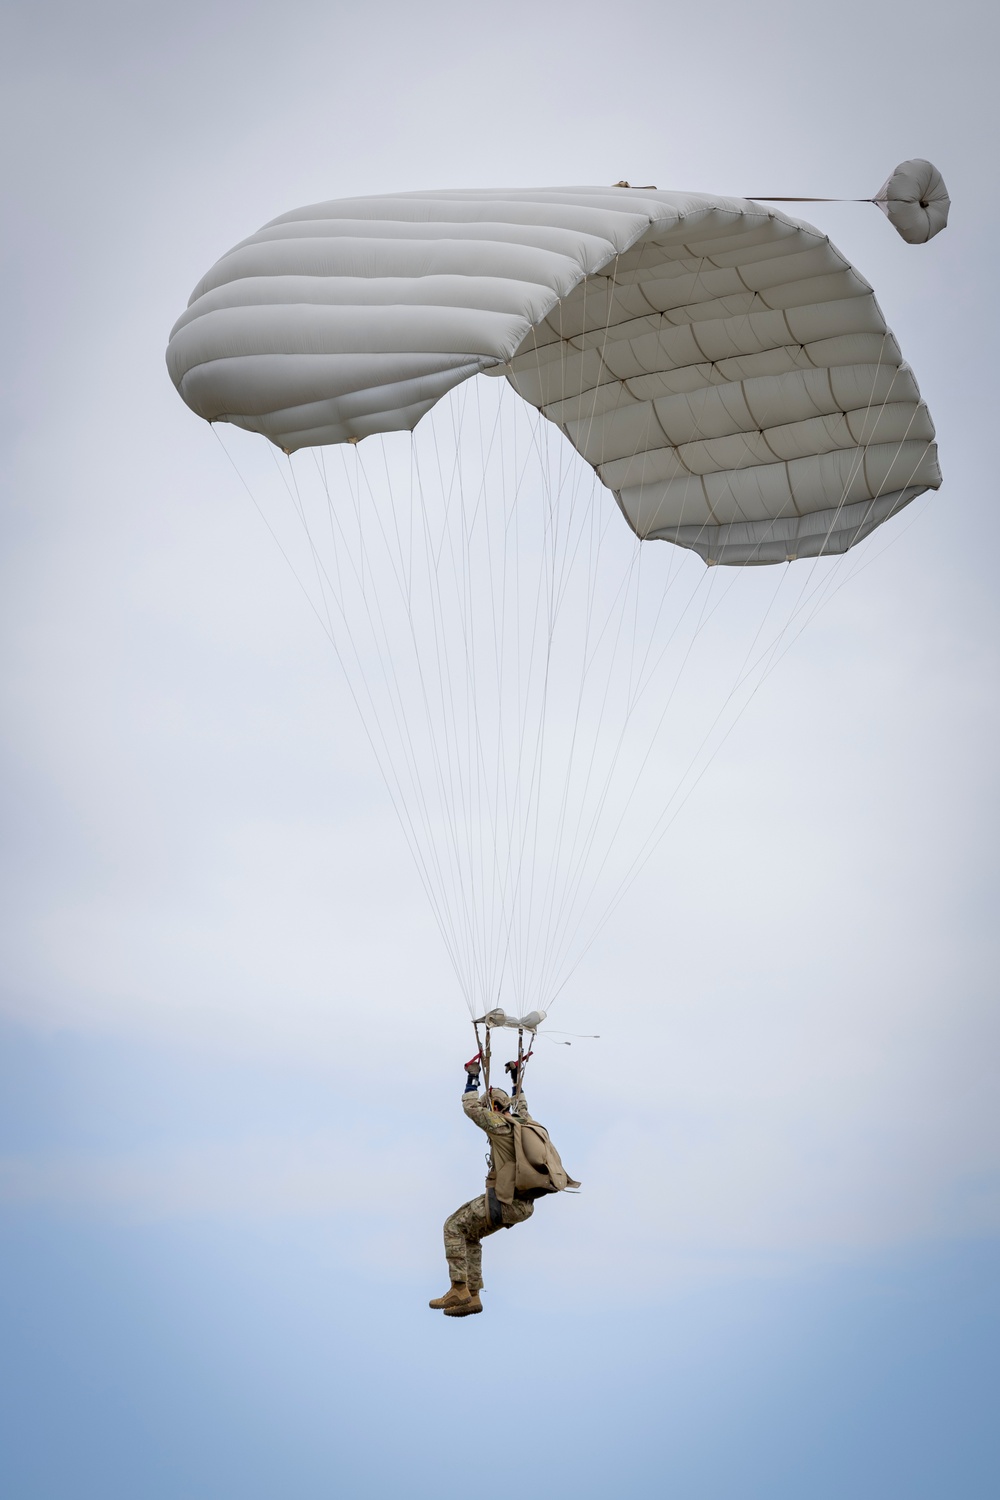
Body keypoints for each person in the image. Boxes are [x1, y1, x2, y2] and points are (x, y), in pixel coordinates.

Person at [429, 1053, 579, 1318]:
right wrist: (516, 1079)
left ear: (494, 1109)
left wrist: (472, 1077)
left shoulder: (500, 1126)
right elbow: (522, 1105)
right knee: (470, 1235)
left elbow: (471, 1109)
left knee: (452, 1226)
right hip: (522, 1206)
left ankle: (458, 1288)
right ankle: (473, 1296)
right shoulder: (528, 1124)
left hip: (503, 1201)